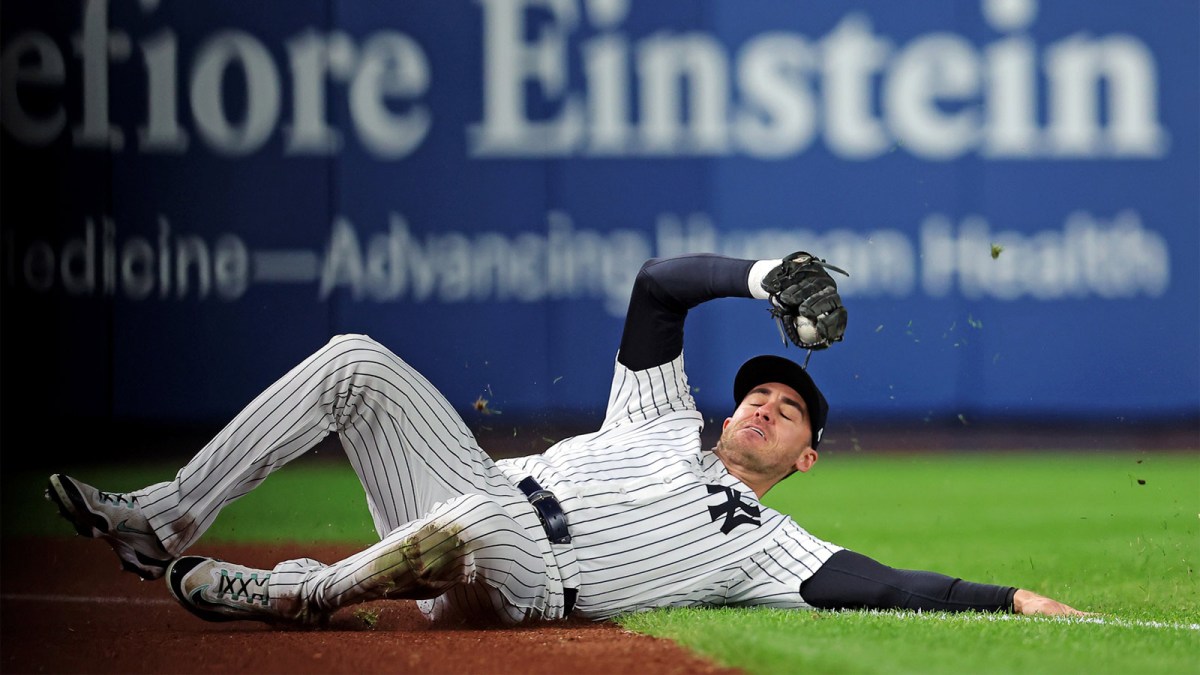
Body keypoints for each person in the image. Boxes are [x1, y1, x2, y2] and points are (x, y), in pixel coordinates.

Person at [46, 252, 1086, 626]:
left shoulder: (771, 549)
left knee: (480, 516)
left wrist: (1010, 600)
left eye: (791, 410)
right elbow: (657, 289)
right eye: (758, 393)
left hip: (525, 572)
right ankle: (165, 517)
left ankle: (291, 596)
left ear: (805, 461)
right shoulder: (657, 415)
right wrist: (763, 276)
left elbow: (889, 585)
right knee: (357, 356)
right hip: (456, 507)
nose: (766, 405)